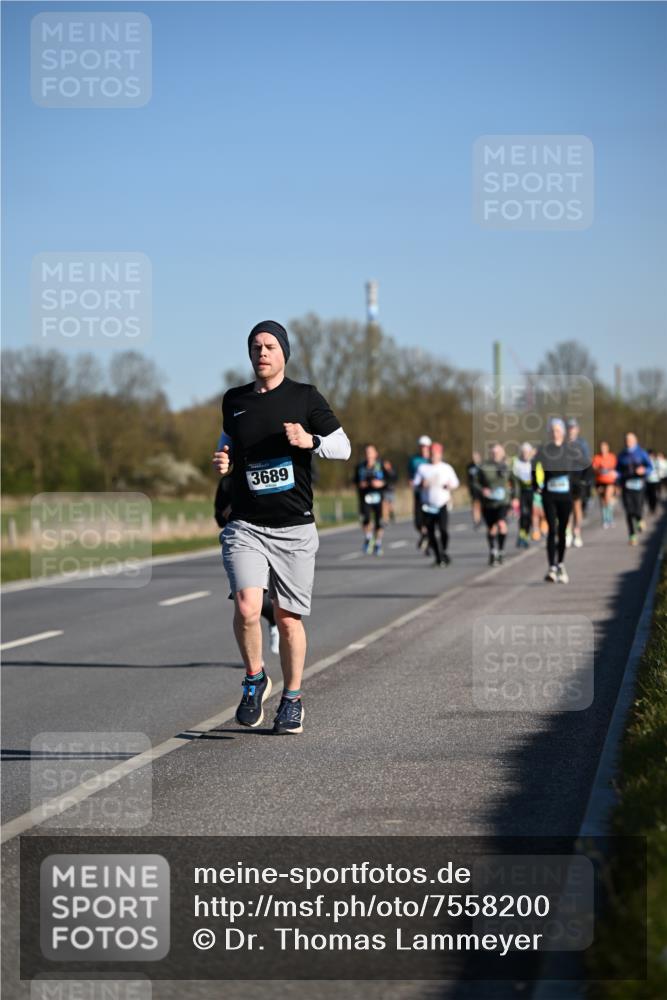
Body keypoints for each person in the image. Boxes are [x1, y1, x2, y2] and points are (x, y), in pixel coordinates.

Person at [213, 320, 351, 735]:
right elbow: (228, 440)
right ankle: (255, 678)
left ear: (283, 352)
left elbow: (343, 447)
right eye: (255, 347)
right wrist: (224, 459)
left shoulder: (304, 397)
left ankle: (292, 699)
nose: (262, 353)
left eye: (269, 346)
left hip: (294, 527)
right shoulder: (234, 400)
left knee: (289, 619)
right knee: (246, 607)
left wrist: (311, 441)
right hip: (247, 525)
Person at [214, 476, 280, 654]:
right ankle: (256, 668)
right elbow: (219, 517)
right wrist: (229, 511)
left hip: (273, 538)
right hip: (241, 542)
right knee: (247, 603)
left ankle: (275, 621)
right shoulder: (228, 482)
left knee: (261, 599)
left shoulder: (264, 471)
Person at [533, 418, 577, 583]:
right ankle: (551, 567)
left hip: (565, 495)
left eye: (558, 430)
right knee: (552, 529)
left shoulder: (569, 450)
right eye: (552, 430)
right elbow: (534, 466)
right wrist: (536, 484)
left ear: (563, 433)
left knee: (562, 531)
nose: (555, 433)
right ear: (549, 433)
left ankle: (561, 563)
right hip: (549, 495)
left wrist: (579, 487)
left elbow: (579, 470)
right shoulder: (544, 450)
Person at [412, 442, 460, 567]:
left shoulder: (446, 468)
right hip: (427, 505)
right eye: (431, 453)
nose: (433, 456)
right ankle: (439, 557)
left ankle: (443, 551)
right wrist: (421, 484)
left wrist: (449, 485)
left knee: (443, 530)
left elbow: (455, 482)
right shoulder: (423, 468)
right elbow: (415, 485)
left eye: (436, 453)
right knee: (430, 532)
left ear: (440, 454)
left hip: (442, 503)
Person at [477, 443, 513, 566]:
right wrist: (482, 489)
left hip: (503, 502)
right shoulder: (483, 467)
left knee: (502, 525)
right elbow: (475, 483)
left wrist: (516, 498)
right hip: (488, 503)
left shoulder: (507, 466)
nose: (495, 454)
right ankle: (493, 551)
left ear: (502, 453)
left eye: (497, 452)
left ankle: (501, 551)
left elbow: (515, 482)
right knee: (491, 529)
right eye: (493, 452)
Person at [616, 433, 653, 545]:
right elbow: (617, 470)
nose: (628, 442)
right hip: (626, 486)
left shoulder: (642, 453)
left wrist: (644, 471)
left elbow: (650, 467)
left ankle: (639, 519)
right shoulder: (622, 455)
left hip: (639, 485)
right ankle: (632, 535)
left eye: (630, 440)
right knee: (628, 511)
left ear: (635, 441)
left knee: (637, 508)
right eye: (626, 440)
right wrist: (617, 480)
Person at [354, 444, 387, 556]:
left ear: (375, 454)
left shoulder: (381, 465)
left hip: (379, 496)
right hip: (365, 497)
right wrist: (360, 484)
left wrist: (381, 483)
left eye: (370, 452)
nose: (369, 455)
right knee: (366, 519)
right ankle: (368, 538)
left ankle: (378, 543)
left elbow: (390, 479)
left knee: (379, 522)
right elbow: (355, 480)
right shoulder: (360, 467)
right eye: (367, 453)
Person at [565, 418, 592, 548]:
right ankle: (568, 533)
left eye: (573, 428)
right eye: (569, 428)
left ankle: (577, 532)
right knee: (567, 507)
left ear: (577, 429)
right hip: (565, 478)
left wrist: (585, 480)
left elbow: (587, 462)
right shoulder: (563, 443)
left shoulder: (582, 444)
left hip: (578, 477)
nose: (571, 430)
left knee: (577, 506)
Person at [409, 436, 433, 550]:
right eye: (422, 446)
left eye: (426, 446)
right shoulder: (414, 460)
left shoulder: (433, 460)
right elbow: (410, 477)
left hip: (430, 495)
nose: (424, 448)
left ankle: (429, 538)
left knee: (429, 518)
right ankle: (425, 535)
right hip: (419, 493)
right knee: (418, 521)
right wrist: (414, 483)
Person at [511, 442, 534, 548]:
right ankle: (521, 534)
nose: (525, 454)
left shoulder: (534, 463)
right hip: (521, 492)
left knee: (530, 515)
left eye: (527, 452)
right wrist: (514, 496)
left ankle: (526, 534)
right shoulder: (516, 463)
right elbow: (514, 480)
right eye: (523, 452)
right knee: (523, 514)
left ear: (530, 453)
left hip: (532, 492)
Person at [592, 441, 618, 528]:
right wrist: (599, 469)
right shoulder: (597, 457)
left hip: (610, 481)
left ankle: (610, 518)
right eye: (601, 448)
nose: (602, 449)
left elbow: (616, 469)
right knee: (603, 501)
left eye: (604, 448)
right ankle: (605, 519)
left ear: (607, 448)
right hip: (599, 481)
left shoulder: (612, 457)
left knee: (607, 498)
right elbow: (594, 469)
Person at [466, 451, 482, 528]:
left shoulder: (482, 466)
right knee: (475, 504)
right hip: (473, 489)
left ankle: (482, 517)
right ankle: (476, 520)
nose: (474, 458)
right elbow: (468, 478)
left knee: (482, 505)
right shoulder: (469, 466)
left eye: (476, 456)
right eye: (473, 457)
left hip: (482, 488)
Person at [381, 458, 398, 524]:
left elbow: (394, 479)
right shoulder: (383, 472)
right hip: (385, 490)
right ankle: (386, 519)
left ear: (389, 465)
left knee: (390, 506)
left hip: (391, 490)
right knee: (385, 504)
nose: (385, 466)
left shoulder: (392, 471)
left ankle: (392, 514)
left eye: (386, 464)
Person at [646, 450, 661, 515]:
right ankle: (650, 508)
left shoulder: (656, 462)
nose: (650, 456)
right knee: (648, 495)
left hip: (655, 480)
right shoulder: (645, 462)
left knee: (653, 495)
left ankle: (654, 508)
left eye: (650, 455)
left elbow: (660, 469)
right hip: (648, 481)